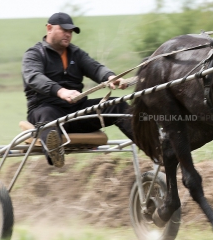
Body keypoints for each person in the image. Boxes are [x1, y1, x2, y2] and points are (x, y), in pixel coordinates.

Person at [22, 12, 134, 167]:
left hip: (77, 113)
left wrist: (110, 77)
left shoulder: (76, 53)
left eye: (70, 32)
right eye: (64, 30)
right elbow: (34, 77)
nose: (68, 34)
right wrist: (60, 91)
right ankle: (54, 153)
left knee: (119, 105)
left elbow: (95, 68)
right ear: (49, 28)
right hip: (46, 110)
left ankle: (155, 147)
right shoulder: (34, 54)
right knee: (48, 117)